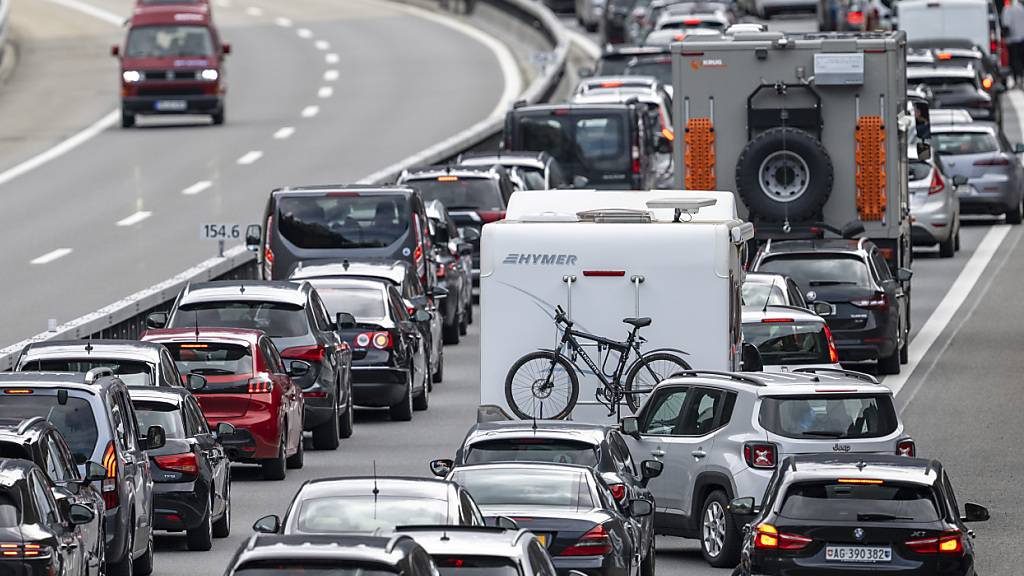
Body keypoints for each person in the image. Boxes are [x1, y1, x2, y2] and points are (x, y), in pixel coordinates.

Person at [1004, 0, 1024, 88]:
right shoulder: (1021, 8)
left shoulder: (1007, 9)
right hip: (1022, 38)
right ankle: (1021, 77)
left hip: (1012, 39)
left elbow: (1006, 25)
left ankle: (1016, 79)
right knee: (1021, 59)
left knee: (1014, 60)